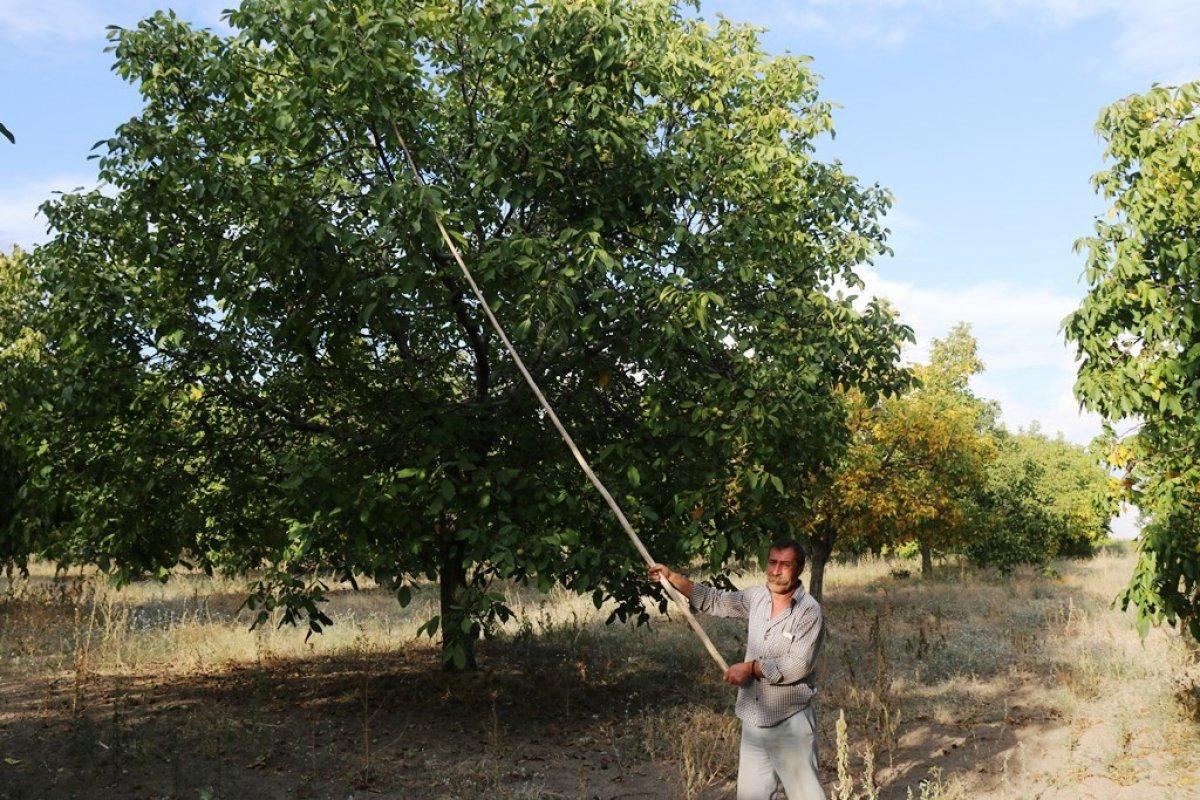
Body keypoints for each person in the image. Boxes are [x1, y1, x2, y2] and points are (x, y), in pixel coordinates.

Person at [648, 539, 826, 800]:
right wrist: (672, 577)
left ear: (799, 569)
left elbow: (797, 666)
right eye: (772, 563)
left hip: (790, 721)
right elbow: (714, 600)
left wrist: (752, 669)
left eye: (785, 565)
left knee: (806, 796)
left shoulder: (809, 612)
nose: (776, 571)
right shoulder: (756, 598)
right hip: (754, 719)